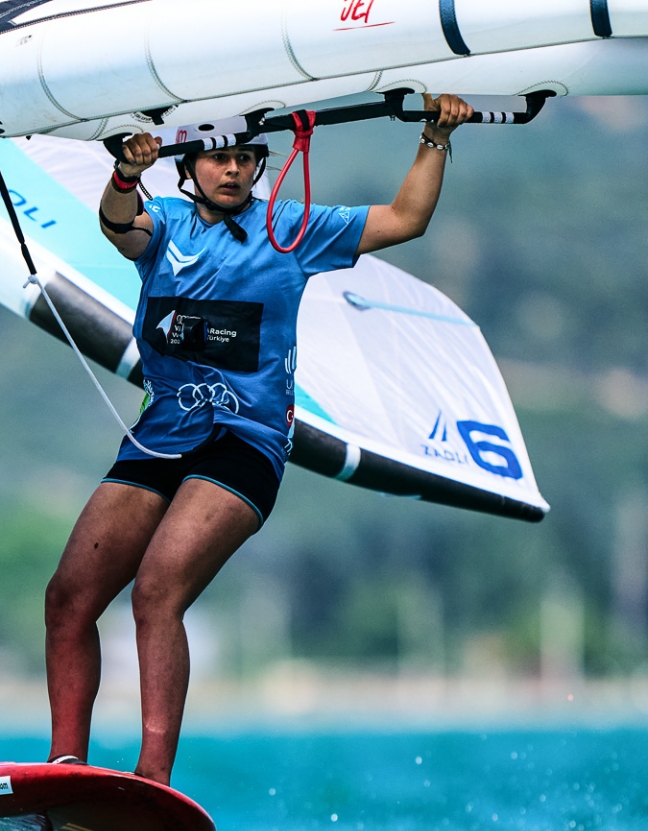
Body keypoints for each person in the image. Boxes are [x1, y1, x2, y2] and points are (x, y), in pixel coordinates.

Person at [43, 96, 477, 785]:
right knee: (68, 597)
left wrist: (435, 136)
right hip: (163, 436)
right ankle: (65, 766)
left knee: (157, 589)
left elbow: (405, 220)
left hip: (245, 444)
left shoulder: (292, 229)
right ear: (191, 165)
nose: (234, 169)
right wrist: (126, 171)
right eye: (219, 156)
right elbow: (117, 226)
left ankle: (151, 778)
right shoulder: (168, 224)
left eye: (245, 158)